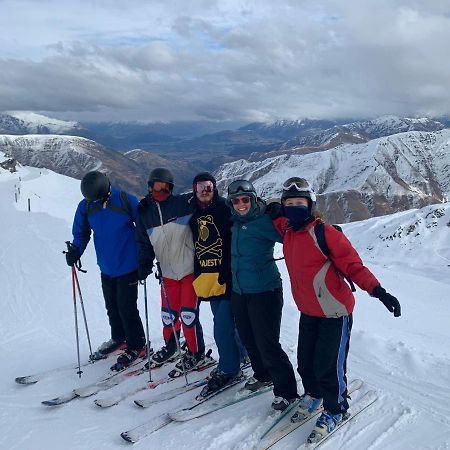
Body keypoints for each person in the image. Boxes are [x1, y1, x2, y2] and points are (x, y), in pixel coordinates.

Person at [274, 177, 401, 440]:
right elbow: (269, 216)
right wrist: (264, 208)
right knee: (305, 362)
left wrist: (379, 291)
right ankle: (314, 395)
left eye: (300, 203)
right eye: (289, 203)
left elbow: (353, 266)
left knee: (328, 365)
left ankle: (336, 408)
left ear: (310, 205)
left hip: (335, 311)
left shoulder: (325, 233)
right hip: (308, 310)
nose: (294, 207)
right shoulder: (287, 231)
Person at [226, 179, 298, 411]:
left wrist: (280, 212)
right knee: (247, 337)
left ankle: (286, 391)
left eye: (245, 199)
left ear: (254, 199)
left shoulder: (266, 220)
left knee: (267, 343)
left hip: (265, 290)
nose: (241, 204)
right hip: (239, 290)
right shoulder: (232, 220)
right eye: (235, 200)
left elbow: (296, 233)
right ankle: (263, 374)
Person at [65, 171, 146, 369]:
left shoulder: (126, 200)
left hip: (128, 265)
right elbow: (82, 233)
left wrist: (145, 258)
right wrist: (76, 250)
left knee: (127, 307)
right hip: (106, 267)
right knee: (112, 306)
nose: (95, 201)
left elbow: (143, 228)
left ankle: (137, 344)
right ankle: (119, 338)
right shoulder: (86, 206)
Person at [135, 168, 212, 374]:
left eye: (167, 187)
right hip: (167, 274)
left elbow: (207, 198)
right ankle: (172, 346)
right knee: (168, 316)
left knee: (188, 316)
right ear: (150, 187)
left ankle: (197, 353)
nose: (162, 191)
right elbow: (144, 244)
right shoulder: (144, 213)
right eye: (158, 187)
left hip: (189, 272)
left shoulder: (182, 204)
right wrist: (144, 264)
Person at [189, 172, 248, 395]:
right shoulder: (191, 210)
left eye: (209, 186)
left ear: (215, 188)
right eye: (201, 186)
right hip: (207, 278)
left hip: (228, 276)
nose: (205, 190)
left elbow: (244, 223)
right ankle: (241, 355)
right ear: (194, 189)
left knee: (222, 326)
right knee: (226, 321)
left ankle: (229, 367)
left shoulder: (225, 208)